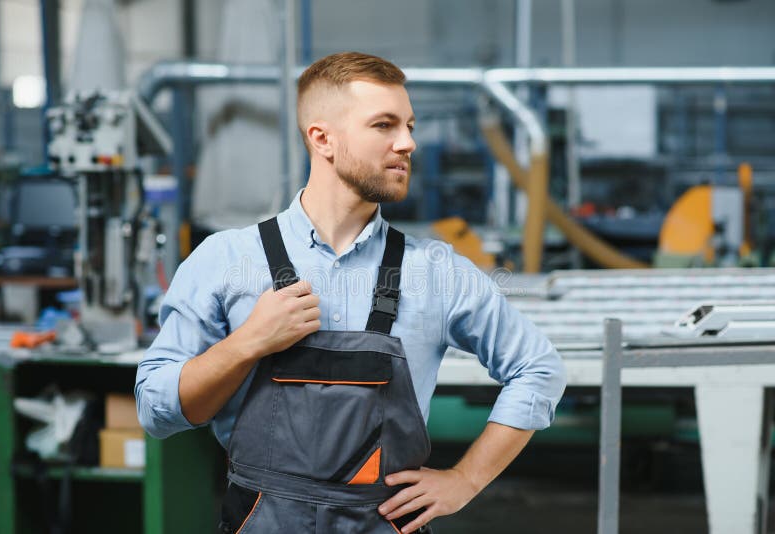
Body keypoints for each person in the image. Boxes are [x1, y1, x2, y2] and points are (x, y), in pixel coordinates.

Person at [136, 51, 566, 534]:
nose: (407, 143)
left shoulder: (436, 271)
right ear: (323, 139)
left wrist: (465, 480)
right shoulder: (225, 260)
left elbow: (538, 369)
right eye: (384, 125)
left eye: (410, 125)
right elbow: (156, 409)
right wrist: (247, 343)